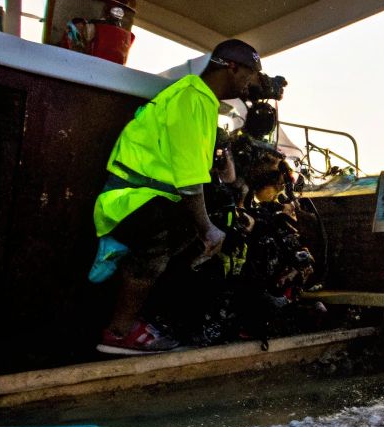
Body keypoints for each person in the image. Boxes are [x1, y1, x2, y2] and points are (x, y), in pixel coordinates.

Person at [91, 39, 268, 354]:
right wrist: (207, 229)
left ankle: (154, 318)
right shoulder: (191, 98)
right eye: (251, 75)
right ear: (232, 66)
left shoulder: (200, 99)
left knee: (206, 218)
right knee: (183, 226)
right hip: (129, 201)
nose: (250, 84)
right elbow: (189, 183)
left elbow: (209, 177)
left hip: (141, 198)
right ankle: (119, 332)